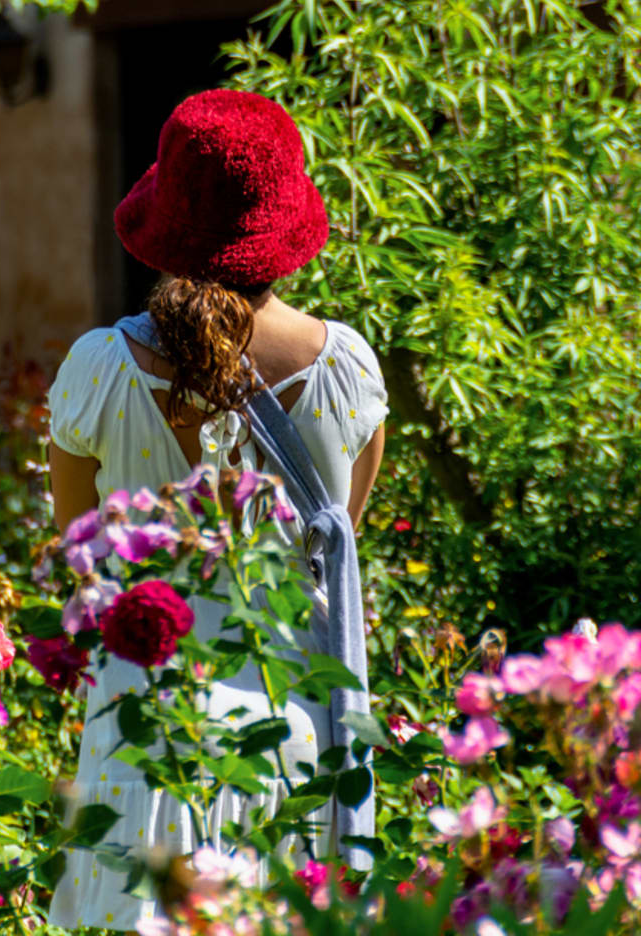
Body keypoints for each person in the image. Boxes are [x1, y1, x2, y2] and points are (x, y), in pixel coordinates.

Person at [44, 88, 389, 931]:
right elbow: (337, 539)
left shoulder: (98, 369)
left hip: (142, 729)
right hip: (293, 728)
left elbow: (77, 546)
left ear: (165, 220)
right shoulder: (346, 370)